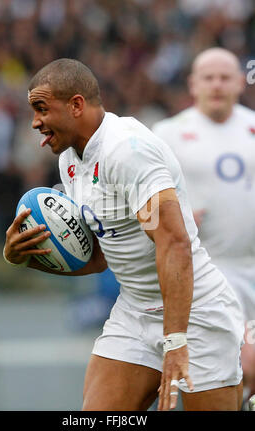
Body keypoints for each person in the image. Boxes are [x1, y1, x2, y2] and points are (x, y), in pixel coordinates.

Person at [3, 58, 244, 411]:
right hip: (134, 311)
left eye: (41, 109)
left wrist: (175, 337)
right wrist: (22, 258)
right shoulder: (70, 160)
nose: (35, 122)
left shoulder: (127, 150)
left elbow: (174, 242)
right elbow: (100, 256)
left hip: (196, 313)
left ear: (76, 105)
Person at [152, 47, 255, 402]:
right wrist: (171, 216)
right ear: (193, 84)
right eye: (208, 78)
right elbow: (139, 201)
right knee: (237, 363)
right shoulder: (167, 134)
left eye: (225, 77)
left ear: (241, 82)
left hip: (251, 265)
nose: (217, 85)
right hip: (206, 270)